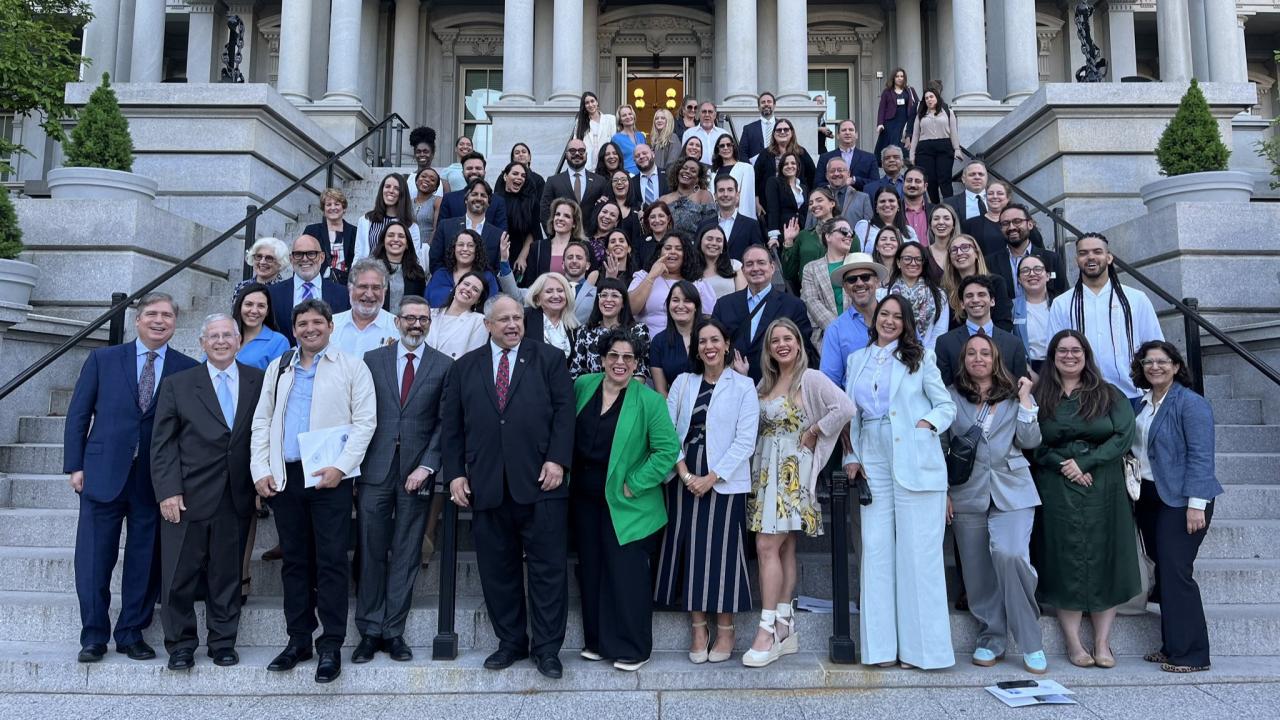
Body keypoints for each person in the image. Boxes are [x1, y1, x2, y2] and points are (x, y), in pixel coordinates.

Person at [442, 294, 576, 680]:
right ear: (487, 325)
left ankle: (547, 649)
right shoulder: (465, 367)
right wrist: (455, 474)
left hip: (541, 483)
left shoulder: (549, 360)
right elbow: (452, 427)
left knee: (548, 571)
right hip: (486, 486)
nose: (513, 325)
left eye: (517, 317)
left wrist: (557, 460)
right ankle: (511, 642)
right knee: (497, 570)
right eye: (504, 319)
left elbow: (565, 415)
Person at [64, 293, 200, 664]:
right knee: (93, 560)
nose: (159, 320)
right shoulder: (103, 359)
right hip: (102, 474)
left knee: (145, 560)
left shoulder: (187, 369)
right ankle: (93, 635)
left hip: (154, 481)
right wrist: (75, 466)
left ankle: (130, 633)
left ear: (175, 323)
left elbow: (189, 430)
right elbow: (78, 415)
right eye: (152, 314)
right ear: (137, 321)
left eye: (167, 315)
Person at [251, 298, 376, 684]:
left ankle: (331, 644)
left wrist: (342, 468)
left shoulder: (352, 367)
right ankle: (298, 639)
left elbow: (365, 423)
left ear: (330, 326)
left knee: (332, 562)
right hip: (286, 476)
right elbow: (262, 420)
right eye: (302, 323)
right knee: (295, 562)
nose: (310, 329)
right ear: (294, 329)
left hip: (329, 477)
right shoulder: (279, 367)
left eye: (316, 323)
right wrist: (260, 470)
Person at [842, 294, 956, 670]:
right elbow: (851, 414)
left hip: (914, 454)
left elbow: (946, 406)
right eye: (884, 315)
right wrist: (852, 455)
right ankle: (879, 649)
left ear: (907, 323)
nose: (889, 321)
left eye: (897, 316)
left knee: (918, 555)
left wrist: (927, 424)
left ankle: (923, 652)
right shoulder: (856, 360)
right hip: (872, 455)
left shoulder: (921, 358)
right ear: (874, 319)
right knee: (875, 551)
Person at [150, 313, 263, 671]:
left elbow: (264, 435)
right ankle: (181, 645)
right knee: (178, 576)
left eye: (227, 335)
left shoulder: (258, 381)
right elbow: (162, 445)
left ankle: (222, 642)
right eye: (212, 336)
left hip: (236, 494)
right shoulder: (178, 384)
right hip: (187, 496)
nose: (220, 341)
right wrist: (168, 491)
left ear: (238, 340)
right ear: (201, 343)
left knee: (227, 575)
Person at [743, 319, 855, 667]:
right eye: (775, 340)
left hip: (792, 473)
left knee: (766, 545)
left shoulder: (812, 379)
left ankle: (766, 630)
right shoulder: (767, 381)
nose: (781, 344)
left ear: (798, 342)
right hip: (765, 472)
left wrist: (814, 432)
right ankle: (785, 623)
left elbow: (846, 408)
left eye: (787, 338)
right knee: (784, 545)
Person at [571, 329, 680, 671]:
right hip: (585, 499)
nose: (620, 363)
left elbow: (667, 450)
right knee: (592, 569)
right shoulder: (583, 386)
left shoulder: (649, 400)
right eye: (614, 356)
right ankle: (599, 642)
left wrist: (636, 483)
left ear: (637, 363)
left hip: (629, 501)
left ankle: (634, 647)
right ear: (602, 359)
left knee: (626, 574)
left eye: (628, 358)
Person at [1031, 330, 1140, 668]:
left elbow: (1124, 434)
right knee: (1065, 558)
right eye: (1062, 350)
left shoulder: (1107, 394)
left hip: (1103, 484)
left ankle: (1104, 643)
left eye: (1075, 350)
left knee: (1105, 555)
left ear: (1086, 354)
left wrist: (1086, 462)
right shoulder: (1040, 395)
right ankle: (1074, 642)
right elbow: (1030, 439)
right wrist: (1063, 465)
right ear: (1052, 356)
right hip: (1056, 484)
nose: (1069, 356)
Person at [353, 295, 452, 664]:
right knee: (371, 550)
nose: (415, 324)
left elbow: (444, 422)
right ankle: (369, 630)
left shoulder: (444, 365)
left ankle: (394, 631)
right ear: (397, 322)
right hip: (374, 470)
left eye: (422, 319)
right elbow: (359, 414)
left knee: (407, 553)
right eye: (409, 318)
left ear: (430, 323)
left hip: (417, 473)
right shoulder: (372, 361)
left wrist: (427, 466)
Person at [658, 317, 759, 664]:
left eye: (715, 339)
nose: (709, 346)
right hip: (684, 476)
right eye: (702, 342)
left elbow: (746, 441)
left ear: (727, 344)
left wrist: (712, 476)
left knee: (723, 554)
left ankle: (726, 629)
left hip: (725, 482)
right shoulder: (683, 383)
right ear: (696, 348)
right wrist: (685, 473)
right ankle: (698, 628)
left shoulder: (744, 386)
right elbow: (667, 433)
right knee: (690, 550)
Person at [945, 334, 1047, 674]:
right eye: (971, 353)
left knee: (1011, 554)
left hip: (1013, 487)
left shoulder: (1013, 397)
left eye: (985, 353)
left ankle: (1031, 640)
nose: (978, 358)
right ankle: (991, 637)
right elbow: (940, 446)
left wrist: (1027, 399)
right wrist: (944, 491)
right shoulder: (950, 397)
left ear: (995, 358)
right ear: (964, 360)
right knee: (977, 572)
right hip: (966, 492)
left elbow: (1030, 440)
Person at [1129, 341, 1223, 674]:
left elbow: (1201, 457)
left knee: (1176, 572)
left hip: (1184, 500)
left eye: (1162, 362)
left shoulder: (1191, 404)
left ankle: (1193, 654)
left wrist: (1196, 505)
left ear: (1176, 366)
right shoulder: (1141, 403)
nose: (1155, 367)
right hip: (1150, 497)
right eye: (1148, 362)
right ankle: (1172, 646)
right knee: (1164, 573)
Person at [1048, 233, 1163, 405]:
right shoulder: (1062, 303)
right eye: (1083, 253)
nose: (1090, 257)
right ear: (1076, 260)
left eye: (1097, 251)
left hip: (1132, 394)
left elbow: (1155, 346)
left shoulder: (1136, 299)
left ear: (1109, 257)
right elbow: (1055, 353)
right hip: (1081, 397)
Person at [713, 244, 814, 381]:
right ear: (742, 270)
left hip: (777, 385)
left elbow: (803, 349)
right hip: (733, 383)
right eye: (749, 264)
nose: (755, 268)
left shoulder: (793, 306)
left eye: (761, 263)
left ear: (772, 268)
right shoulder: (724, 305)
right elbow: (715, 344)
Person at [936, 274, 1028, 385]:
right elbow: (944, 387)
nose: (975, 300)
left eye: (981, 295)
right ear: (962, 304)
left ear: (992, 301)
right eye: (969, 296)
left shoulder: (1014, 343)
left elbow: (1020, 387)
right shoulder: (945, 342)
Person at [266, 235, 350, 345]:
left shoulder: (343, 294)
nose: (305, 259)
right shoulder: (273, 294)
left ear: (322, 257)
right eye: (298, 254)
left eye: (311, 254)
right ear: (291, 259)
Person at [820, 252, 887, 387]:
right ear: (845, 287)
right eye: (852, 279)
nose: (859, 283)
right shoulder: (835, 331)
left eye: (865, 277)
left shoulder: (899, 319)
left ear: (877, 281)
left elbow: (917, 357)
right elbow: (830, 384)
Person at [570, 278, 651, 379]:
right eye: (603, 295)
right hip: (593, 390)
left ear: (623, 303)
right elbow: (576, 373)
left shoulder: (638, 330)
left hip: (630, 390)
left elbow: (641, 372)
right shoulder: (585, 331)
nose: (608, 300)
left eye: (615, 295)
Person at [986, 202, 1065, 302]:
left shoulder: (1052, 259)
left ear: (1030, 224)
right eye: (1005, 223)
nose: (1011, 227)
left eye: (1017, 221)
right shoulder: (990, 263)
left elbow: (1062, 294)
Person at [800, 217, 857, 347]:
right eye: (843, 231)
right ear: (828, 236)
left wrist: (855, 328)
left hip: (859, 332)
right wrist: (839, 329)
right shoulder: (811, 268)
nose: (849, 235)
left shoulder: (859, 262)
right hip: (824, 336)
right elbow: (811, 301)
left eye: (851, 232)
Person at [429, 178, 507, 274]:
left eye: (483, 195)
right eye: (474, 194)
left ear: (489, 202)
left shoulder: (498, 235)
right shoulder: (445, 226)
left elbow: (498, 269)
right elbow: (435, 261)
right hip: (448, 285)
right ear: (466, 199)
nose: (478, 198)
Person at [941, 233, 1012, 332]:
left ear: (976, 253)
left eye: (965, 247)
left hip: (994, 344)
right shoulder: (946, 290)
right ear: (950, 258)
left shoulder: (996, 283)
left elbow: (1003, 323)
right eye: (954, 250)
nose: (959, 252)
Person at [887, 241, 949, 351]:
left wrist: (925, 356)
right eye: (907, 258)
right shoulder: (883, 294)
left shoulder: (939, 295)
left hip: (927, 357)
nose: (913, 263)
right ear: (898, 262)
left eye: (918, 259)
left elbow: (939, 332)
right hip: (892, 354)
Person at [331, 258, 399, 357]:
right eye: (363, 287)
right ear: (350, 288)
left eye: (376, 287)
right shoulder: (331, 326)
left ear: (384, 291)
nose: (369, 294)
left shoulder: (397, 329)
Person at [908, 89, 962, 203]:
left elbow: (953, 132)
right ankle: (935, 206)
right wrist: (912, 154)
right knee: (930, 181)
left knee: (945, 179)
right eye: (926, 98)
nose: (929, 100)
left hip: (944, 147)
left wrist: (957, 149)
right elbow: (916, 134)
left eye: (931, 97)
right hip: (924, 149)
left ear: (937, 98)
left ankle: (949, 206)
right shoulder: (920, 115)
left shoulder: (948, 112)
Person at [649, 281, 703, 395]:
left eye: (687, 300)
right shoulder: (659, 342)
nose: (680, 306)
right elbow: (661, 391)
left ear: (696, 307)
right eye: (675, 300)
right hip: (674, 407)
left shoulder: (708, 336)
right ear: (668, 305)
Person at [426, 228, 504, 307]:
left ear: (477, 250)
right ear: (454, 248)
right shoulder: (439, 274)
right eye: (460, 244)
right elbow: (425, 303)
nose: (465, 249)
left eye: (470, 245)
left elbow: (492, 308)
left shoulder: (487, 277)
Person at [355, 173, 423, 262]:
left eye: (397, 188)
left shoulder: (411, 226)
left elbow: (415, 259)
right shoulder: (365, 220)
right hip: (370, 273)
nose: (391, 191)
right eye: (387, 186)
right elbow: (358, 253)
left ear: (402, 193)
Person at [781, 187, 839, 291]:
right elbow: (788, 273)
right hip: (808, 293)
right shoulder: (804, 236)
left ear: (832, 203)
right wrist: (789, 241)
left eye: (819, 200)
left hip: (839, 293)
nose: (814, 205)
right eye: (811, 203)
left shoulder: (847, 234)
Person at [540, 138, 608, 224]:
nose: (577, 153)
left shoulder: (600, 181)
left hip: (592, 236)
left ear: (586, 154)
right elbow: (544, 211)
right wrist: (554, 235)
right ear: (566, 155)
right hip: (562, 235)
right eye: (572, 151)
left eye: (581, 151)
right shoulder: (553, 181)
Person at [427, 270, 490, 360]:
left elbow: (472, 359)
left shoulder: (479, 321)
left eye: (475, 289)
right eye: (466, 284)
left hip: (452, 372)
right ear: (457, 286)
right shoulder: (430, 313)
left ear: (478, 300)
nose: (468, 289)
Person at [437, 152, 509, 230]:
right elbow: (442, 231)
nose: (474, 171)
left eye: (478, 168)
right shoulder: (449, 199)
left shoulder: (498, 201)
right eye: (469, 168)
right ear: (462, 173)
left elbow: (501, 234)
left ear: (484, 172)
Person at [701, 175, 764, 263]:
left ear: (737, 195)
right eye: (721, 190)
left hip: (740, 275)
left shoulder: (751, 225)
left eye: (730, 190)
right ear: (715, 196)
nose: (725, 194)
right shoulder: (704, 225)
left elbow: (758, 256)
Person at [522, 198, 586, 284]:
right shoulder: (537, 247)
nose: (560, 218)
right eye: (557, 214)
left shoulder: (584, 247)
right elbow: (530, 282)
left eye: (566, 216)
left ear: (574, 223)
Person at [754, 119, 817, 208]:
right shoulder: (765, 154)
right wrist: (757, 202)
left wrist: (810, 198)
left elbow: (813, 176)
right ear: (774, 134)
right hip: (770, 203)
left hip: (797, 204)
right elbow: (756, 178)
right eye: (779, 130)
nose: (782, 132)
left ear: (791, 132)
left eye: (786, 129)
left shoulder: (801, 153)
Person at [302, 189, 357, 284]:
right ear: (323, 210)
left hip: (345, 285)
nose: (332, 207)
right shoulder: (312, 230)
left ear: (344, 208)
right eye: (328, 204)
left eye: (337, 204)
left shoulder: (354, 232)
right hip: (317, 282)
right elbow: (301, 257)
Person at [1014, 254, 1057, 374]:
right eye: (1025, 271)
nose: (1032, 274)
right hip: (1026, 369)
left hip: (1059, 367)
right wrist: (1029, 372)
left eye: (1037, 269)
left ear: (1047, 275)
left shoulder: (1061, 304)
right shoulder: (1011, 308)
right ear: (1018, 279)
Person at [372, 221, 428, 311]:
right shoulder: (371, 269)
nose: (396, 239)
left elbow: (420, 305)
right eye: (391, 235)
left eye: (401, 236)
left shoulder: (417, 272)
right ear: (383, 241)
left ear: (407, 244)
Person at [523, 271, 580, 360]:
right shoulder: (525, 318)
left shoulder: (573, 326)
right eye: (549, 291)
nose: (556, 296)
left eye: (560, 291)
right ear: (537, 298)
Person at [233, 283, 291, 370]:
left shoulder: (278, 342)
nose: (254, 311)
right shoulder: (224, 335)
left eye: (261, 306)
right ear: (240, 306)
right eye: (249, 304)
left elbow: (279, 379)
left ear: (267, 311)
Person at [496, 160, 541, 271]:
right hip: (497, 254)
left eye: (523, 175)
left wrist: (522, 257)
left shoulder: (531, 202)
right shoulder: (494, 200)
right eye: (515, 174)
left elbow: (533, 232)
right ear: (505, 176)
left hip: (521, 255)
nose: (520, 177)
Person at [661, 157, 716, 240]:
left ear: (698, 178)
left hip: (694, 248)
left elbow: (710, 227)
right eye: (684, 168)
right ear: (677, 172)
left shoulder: (704, 195)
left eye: (693, 171)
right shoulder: (664, 199)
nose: (687, 171)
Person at [809, 156, 873, 228]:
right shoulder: (815, 200)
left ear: (848, 174)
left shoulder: (863, 198)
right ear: (826, 176)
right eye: (832, 171)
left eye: (840, 170)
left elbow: (869, 230)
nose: (836, 174)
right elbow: (808, 229)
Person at [818, 119, 880, 192]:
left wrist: (854, 180)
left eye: (851, 130)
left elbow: (876, 184)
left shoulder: (869, 158)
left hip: (861, 200)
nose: (847, 133)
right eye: (844, 130)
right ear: (838, 135)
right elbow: (818, 184)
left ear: (856, 135)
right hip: (833, 200)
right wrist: (836, 185)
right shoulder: (825, 158)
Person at [963, 180, 1018, 257]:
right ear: (985, 197)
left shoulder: (1019, 222)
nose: (995, 196)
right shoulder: (971, 224)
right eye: (990, 193)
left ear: (1008, 198)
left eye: (1000, 193)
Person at [855, 186, 918, 251]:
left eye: (891, 201)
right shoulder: (864, 226)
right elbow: (856, 254)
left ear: (898, 205)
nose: (887, 205)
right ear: (876, 207)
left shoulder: (910, 231)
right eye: (882, 201)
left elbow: (916, 255)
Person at [764, 152, 807, 243]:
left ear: (798, 167)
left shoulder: (803, 187)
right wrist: (774, 236)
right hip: (783, 231)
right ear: (781, 167)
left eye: (793, 163)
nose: (789, 166)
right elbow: (773, 209)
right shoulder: (774, 182)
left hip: (801, 232)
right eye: (786, 164)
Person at [875, 67, 919, 157]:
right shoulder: (887, 92)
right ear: (893, 78)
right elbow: (882, 109)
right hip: (890, 123)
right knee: (890, 145)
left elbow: (917, 105)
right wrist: (880, 124)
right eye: (897, 76)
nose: (899, 78)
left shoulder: (910, 90)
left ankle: (904, 162)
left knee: (904, 145)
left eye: (901, 76)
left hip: (905, 122)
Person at [710, 134, 756, 217]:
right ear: (718, 150)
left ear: (733, 147)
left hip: (738, 217)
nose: (726, 148)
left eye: (729, 145)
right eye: (722, 146)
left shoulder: (746, 168)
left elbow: (747, 199)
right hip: (717, 217)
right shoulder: (713, 172)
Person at [696, 225, 745, 300]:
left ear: (723, 247)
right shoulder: (690, 268)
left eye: (719, 240)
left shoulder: (734, 265)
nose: (714, 243)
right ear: (700, 242)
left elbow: (742, 298)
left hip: (728, 311)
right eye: (709, 239)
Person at [575, 91, 617, 161]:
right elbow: (576, 142)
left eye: (592, 101)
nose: (590, 105)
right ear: (584, 106)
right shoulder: (580, 122)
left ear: (597, 102)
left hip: (606, 161)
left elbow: (614, 141)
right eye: (587, 103)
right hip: (588, 162)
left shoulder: (611, 119)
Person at [635, 200, 675, 269]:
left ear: (668, 219)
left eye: (661, 216)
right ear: (648, 220)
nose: (657, 220)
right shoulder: (640, 243)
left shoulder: (677, 241)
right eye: (653, 217)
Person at [925, 204, 961, 283]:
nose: (941, 222)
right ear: (930, 225)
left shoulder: (962, 251)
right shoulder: (922, 253)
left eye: (946, 218)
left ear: (953, 225)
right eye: (936, 218)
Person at [737, 92, 776, 162]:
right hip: (756, 170)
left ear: (774, 105)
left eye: (769, 102)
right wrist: (749, 168)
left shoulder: (783, 126)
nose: (766, 104)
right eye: (763, 102)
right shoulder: (748, 129)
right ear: (758, 107)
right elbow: (742, 153)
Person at [406, 126, 442, 201]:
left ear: (432, 153)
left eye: (425, 151)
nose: (422, 154)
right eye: (418, 151)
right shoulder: (406, 180)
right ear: (414, 154)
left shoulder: (443, 183)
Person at [411, 169, 443, 250]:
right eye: (423, 176)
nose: (427, 180)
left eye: (432, 180)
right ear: (416, 181)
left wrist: (426, 249)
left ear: (435, 188)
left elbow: (436, 229)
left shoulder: (438, 201)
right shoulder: (408, 202)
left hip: (427, 249)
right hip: (408, 249)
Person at [629, 143, 669, 208]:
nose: (641, 157)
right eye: (637, 156)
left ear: (653, 154)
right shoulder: (631, 183)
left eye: (644, 153)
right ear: (634, 161)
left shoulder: (668, 175)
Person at [612, 104, 647, 174]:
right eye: (624, 115)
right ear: (620, 120)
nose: (628, 117)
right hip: (627, 176)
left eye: (630, 114)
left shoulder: (641, 136)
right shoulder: (616, 139)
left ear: (633, 116)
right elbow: (615, 161)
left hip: (644, 174)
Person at [900, 167, 931, 244]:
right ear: (903, 183)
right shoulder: (894, 210)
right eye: (909, 181)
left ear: (925, 186)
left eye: (917, 181)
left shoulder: (935, 211)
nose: (912, 185)